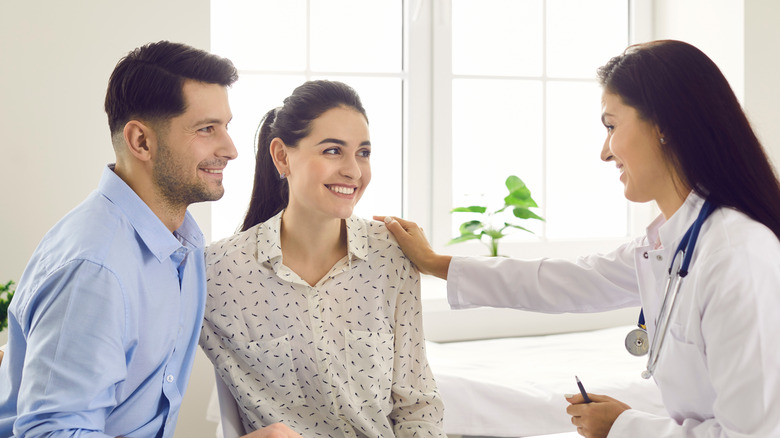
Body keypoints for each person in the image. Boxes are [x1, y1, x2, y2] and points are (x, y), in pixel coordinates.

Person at [376, 40, 780, 438]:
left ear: (664, 128)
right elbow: (565, 281)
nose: (605, 152)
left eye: (611, 126)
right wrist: (435, 264)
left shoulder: (735, 257)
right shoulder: (670, 244)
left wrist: (624, 426)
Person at [0, 40, 298, 438]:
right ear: (141, 141)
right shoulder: (95, 268)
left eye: (226, 127)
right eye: (207, 129)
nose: (230, 149)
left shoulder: (183, 243)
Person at [200, 80, 446, 437]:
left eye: (363, 152)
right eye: (333, 151)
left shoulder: (391, 254)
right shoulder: (217, 272)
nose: (354, 171)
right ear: (282, 156)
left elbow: (418, 404)